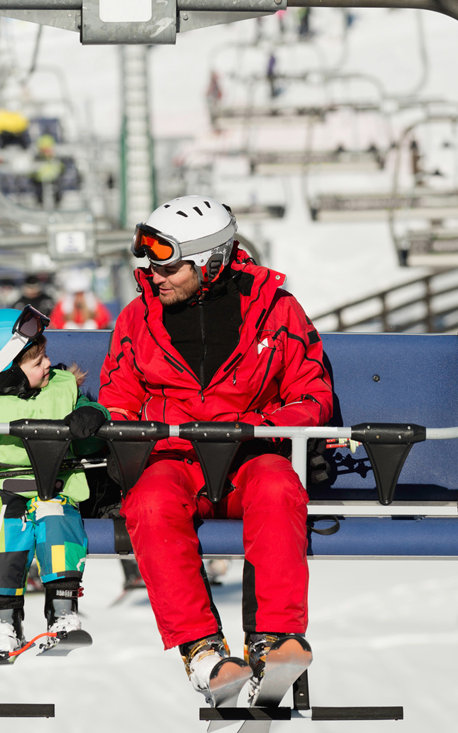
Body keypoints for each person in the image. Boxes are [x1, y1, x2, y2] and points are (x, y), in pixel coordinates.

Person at [98, 195, 332, 707]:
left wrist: (256, 429)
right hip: (175, 461)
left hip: (251, 456)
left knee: (276, 484)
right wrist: (135, 436)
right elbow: (117, 400)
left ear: (211, 262)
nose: (155, 277)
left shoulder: (275, 312)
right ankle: (202, 648)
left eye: (169, 265)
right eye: (150, 264)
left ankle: (273, 638)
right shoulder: (140, 318)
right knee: (151, 502)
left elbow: (312, 395)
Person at [0, 306, 110, 656]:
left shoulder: (63, 390)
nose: (48, 364)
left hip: (55, 489)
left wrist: (92, 418)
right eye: (36, 362)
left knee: (57, 523)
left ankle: (63, 612)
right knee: (4, 532)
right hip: (2, 492)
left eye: (44, 355)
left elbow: (96, 433)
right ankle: (4, 620)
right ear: (6, 376)